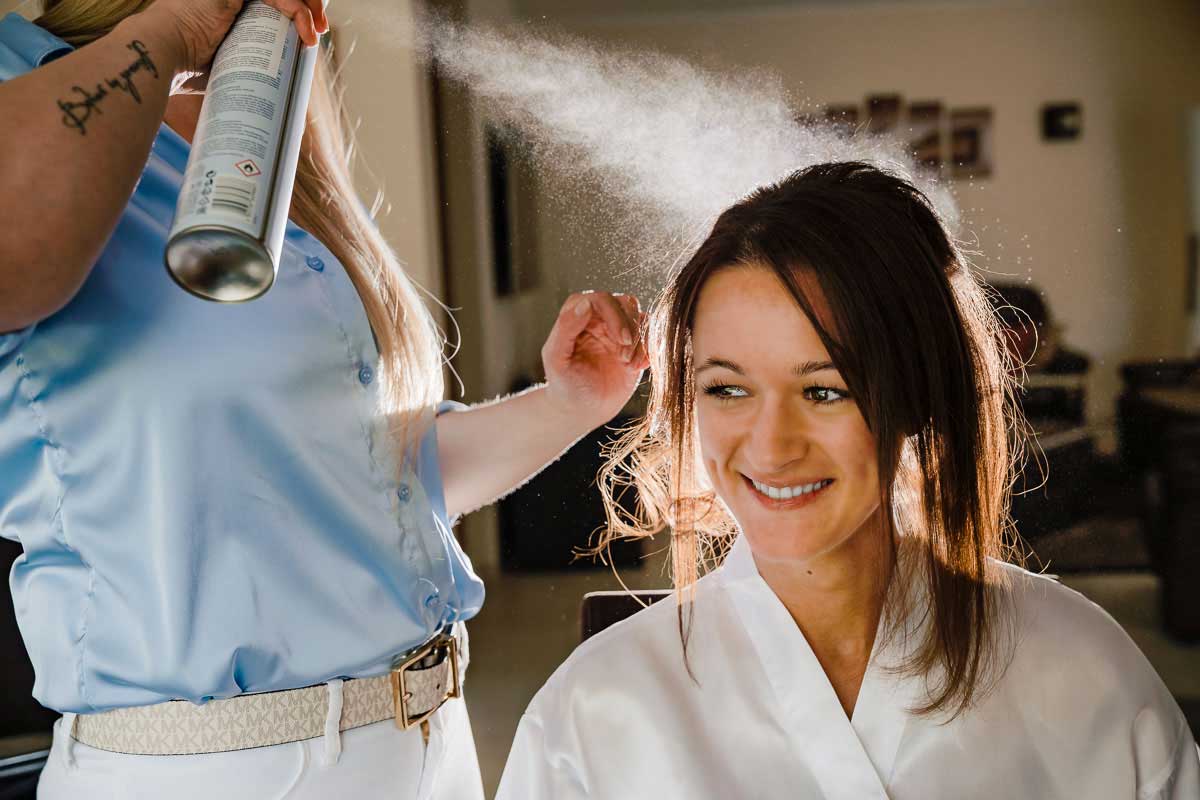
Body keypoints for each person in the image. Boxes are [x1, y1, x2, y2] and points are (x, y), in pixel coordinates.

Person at [0, 2, 647, 797]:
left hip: (428, 741)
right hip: (213, 773)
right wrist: (172, 31)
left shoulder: (274, 106)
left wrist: (568, 405)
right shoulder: (17, 79)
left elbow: (375, 481)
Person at [495, 162, 1200, 799]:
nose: (771, 447)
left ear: (917, 395)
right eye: (728, 389)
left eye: (825, 391)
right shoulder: (595, 715)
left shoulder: (1084, 674)